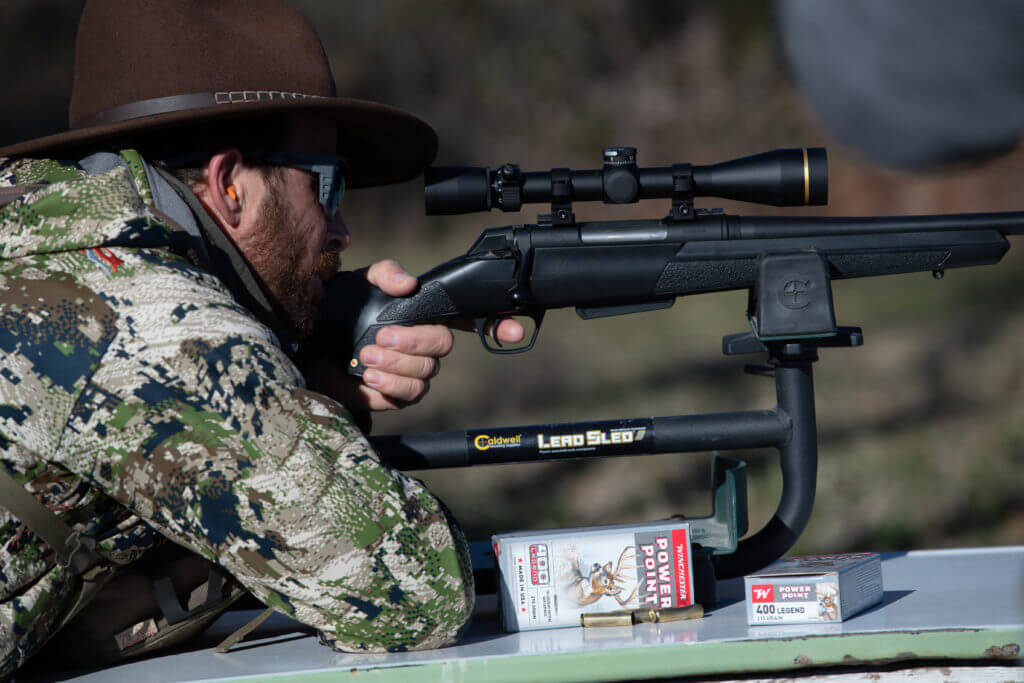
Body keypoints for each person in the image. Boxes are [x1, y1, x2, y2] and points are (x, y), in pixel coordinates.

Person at [0, 0, 521, 674]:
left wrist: (293, 369)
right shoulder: (159, 325)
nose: (342, 232)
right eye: (325, 188)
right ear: (229, 185)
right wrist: (305, 406)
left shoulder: (45, 245)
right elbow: (414, 590)